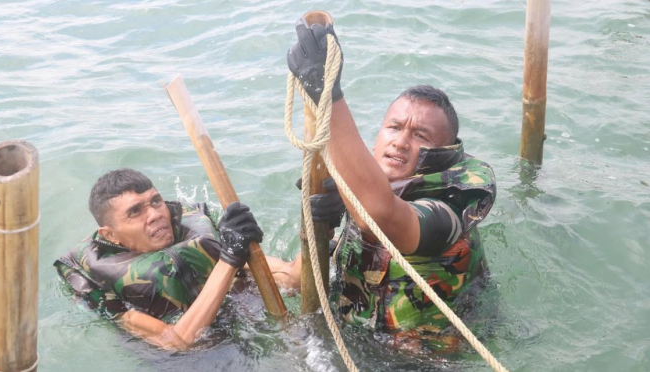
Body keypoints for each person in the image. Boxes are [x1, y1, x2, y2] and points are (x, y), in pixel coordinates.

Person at [272, 18, 497, 342]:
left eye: (420, 134)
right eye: (394, 127)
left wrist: (327, 94)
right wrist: (230, 254)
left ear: (444, 151)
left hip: (425, 359)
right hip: (352, 336)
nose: (400, 142)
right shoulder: (364, 189)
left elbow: (379, 214)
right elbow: (295, 279)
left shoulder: (450, 206)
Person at [54, 168, 263, 351]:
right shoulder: (96, 277)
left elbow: (287, 277)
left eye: (156, 201)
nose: (155, 215)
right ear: (110, 235)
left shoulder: (188, 231)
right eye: (135, 211)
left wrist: (297, 203)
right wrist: (228, 259)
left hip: (247, 323)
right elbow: (177, 342)